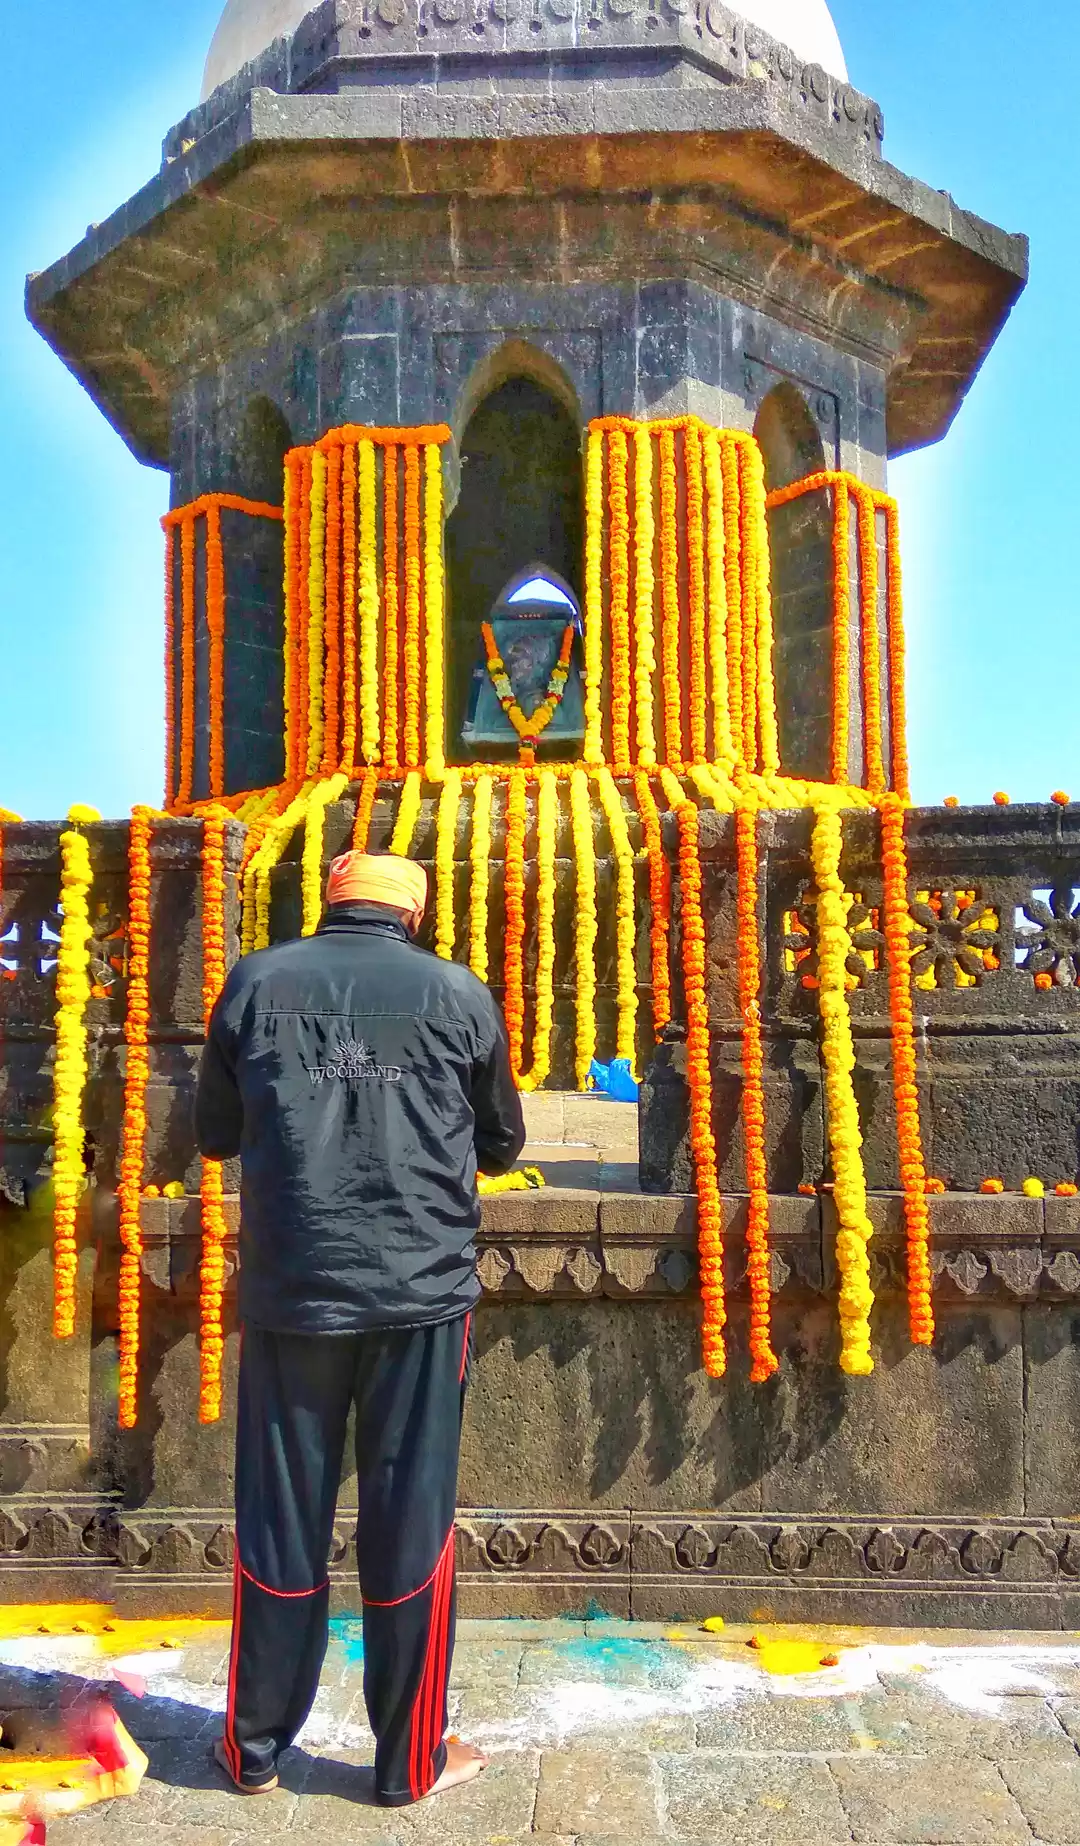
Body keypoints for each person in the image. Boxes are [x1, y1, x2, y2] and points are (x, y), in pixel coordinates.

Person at [193, 849, 526, 1806]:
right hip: (420, 1294)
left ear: (329, 902)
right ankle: (407, 1760)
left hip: (294, 1291)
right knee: (410, 1524)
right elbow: (501, 1140)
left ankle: (253, 1748)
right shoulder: (457, 994)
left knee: (279, 1516)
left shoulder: (256, 981)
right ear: (412, 914)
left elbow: (217, 1134)